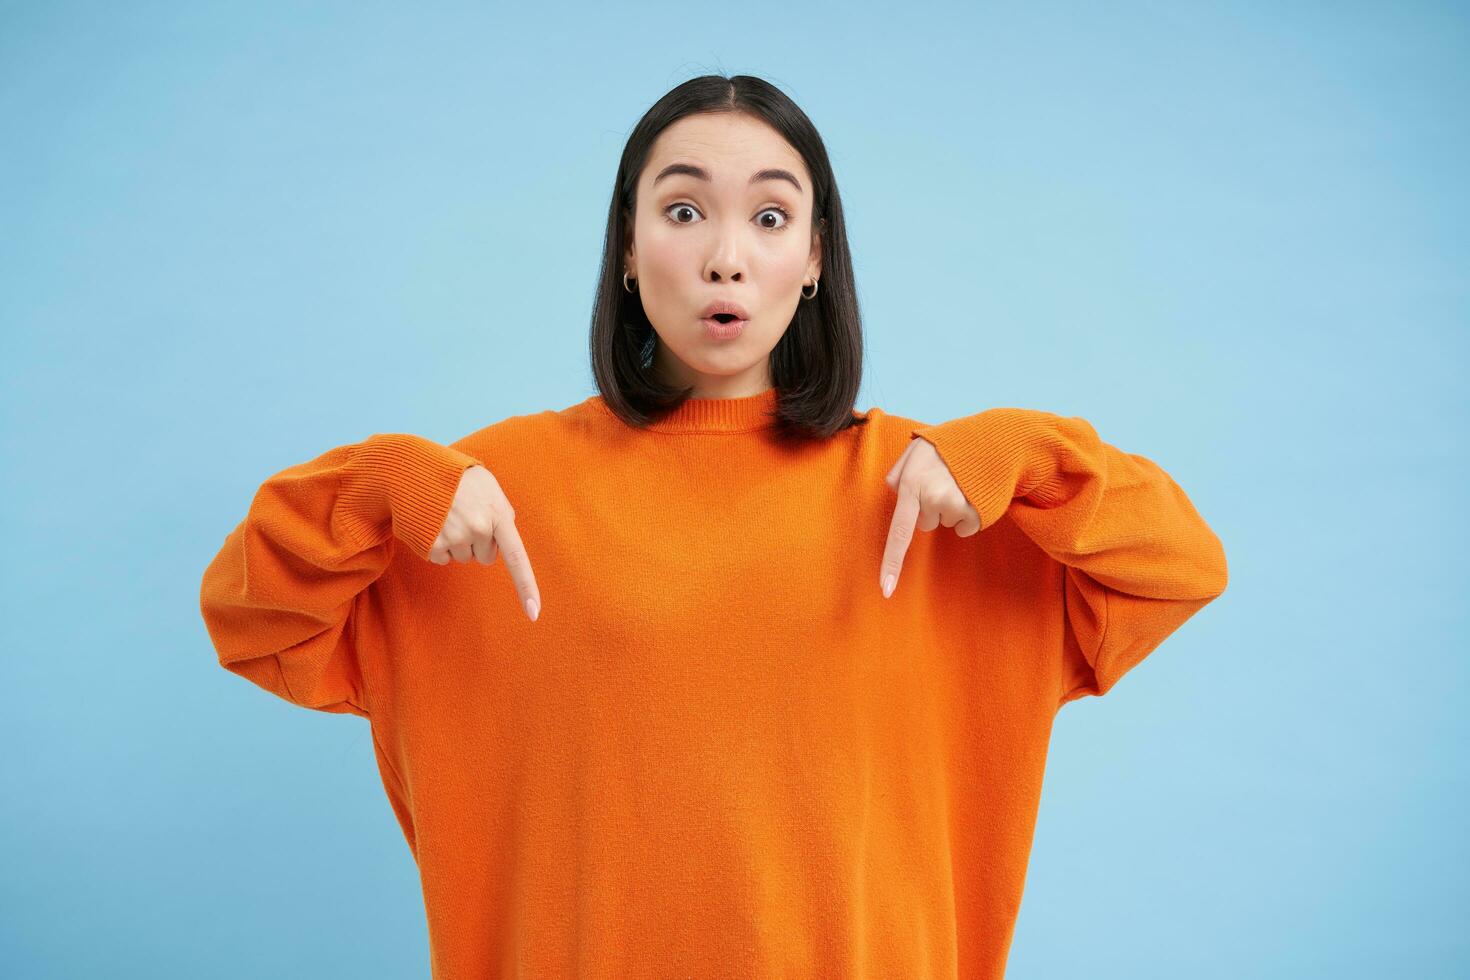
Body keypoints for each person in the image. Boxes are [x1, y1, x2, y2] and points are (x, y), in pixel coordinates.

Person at [199, 74, 1228, 980]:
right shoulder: (485, 502)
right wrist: (380, 482)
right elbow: (250, 615)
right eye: (683, 209)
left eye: (771, 219)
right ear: (632, 251)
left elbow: (1181, 566)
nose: (726, 256)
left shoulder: (940, 497)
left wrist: (1037, 451)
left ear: (816, 257)